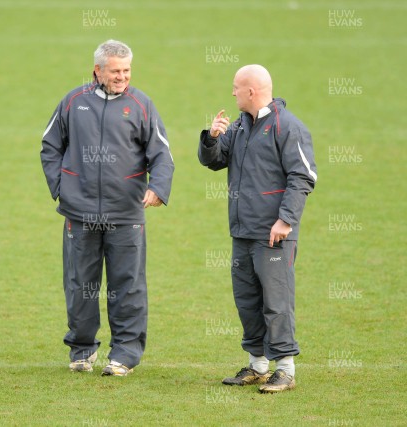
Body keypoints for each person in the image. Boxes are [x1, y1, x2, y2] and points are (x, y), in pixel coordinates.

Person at [41, 40, 174, 377]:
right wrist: (62, 189)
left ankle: (124, 355)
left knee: (127, 286)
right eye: (115, 71)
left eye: (127, 70)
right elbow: (50, 146)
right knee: (79, 284)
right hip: (79, 214)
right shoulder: (73, 102)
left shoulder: (142, 105)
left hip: (126, 214)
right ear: (97, 70)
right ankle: (82, 350)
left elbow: (161, 154)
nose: (122, 77)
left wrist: (158, 187)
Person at [198, 64, 317, 393]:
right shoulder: (240, 126)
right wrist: (213, 138)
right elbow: (214, 160)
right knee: (247, 300)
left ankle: (286, 369)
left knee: (276, 301)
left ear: (252, 91)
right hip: (243, 231)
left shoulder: (287, 127)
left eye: (237, 87)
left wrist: (286, 219)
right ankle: (258, 365)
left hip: (274, 234)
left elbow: (303, 177)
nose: (233, 92)